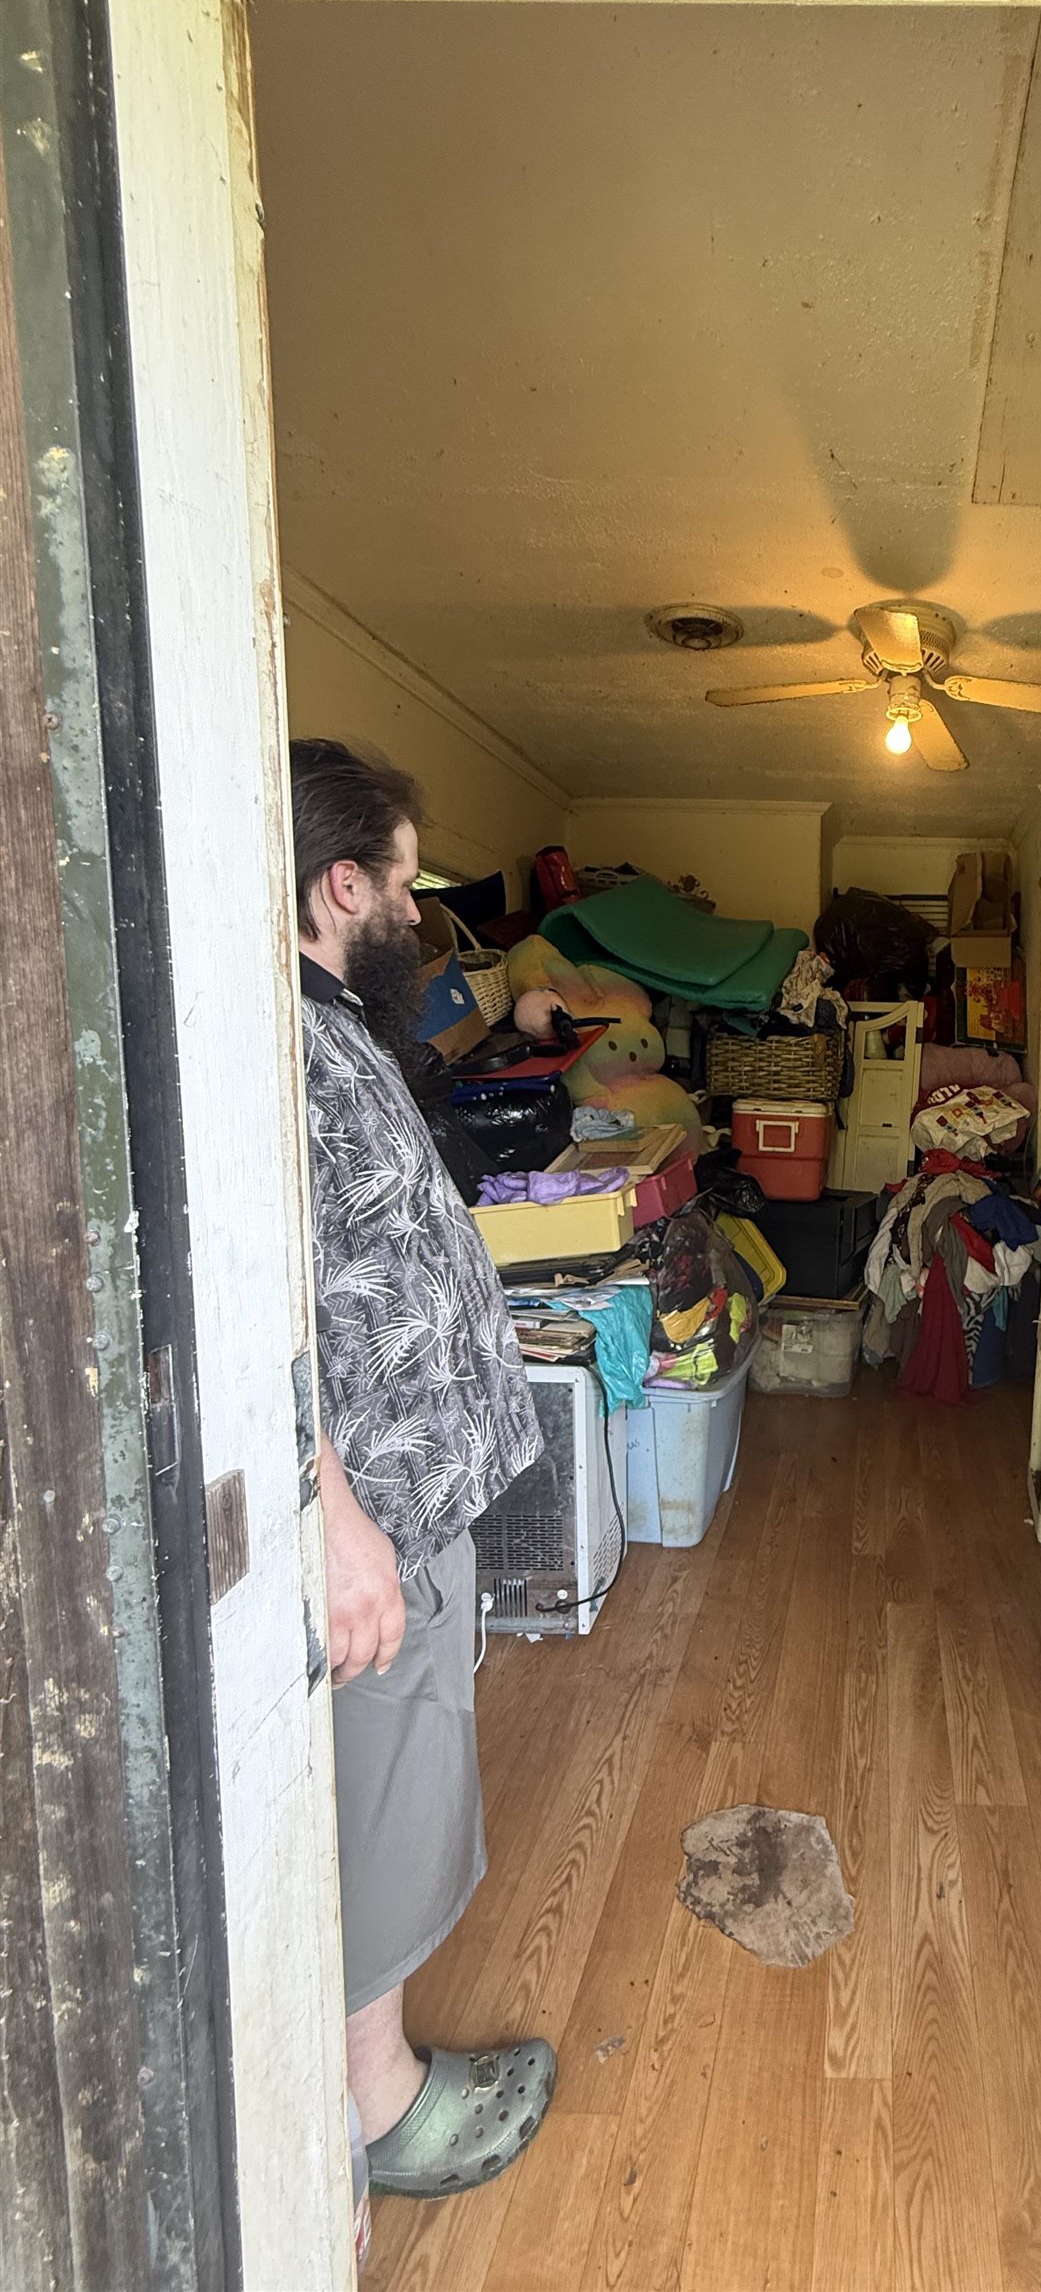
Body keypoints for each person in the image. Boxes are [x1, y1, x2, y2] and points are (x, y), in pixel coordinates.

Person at [291, 737, 555, 2199]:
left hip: (415, 1491)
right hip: (372, 1517)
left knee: (404, 1770)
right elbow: (249, 1302)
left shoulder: (334, 1022)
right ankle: (374, 2107)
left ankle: (360, 2075)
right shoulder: (273, 1038)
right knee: (387, 1789)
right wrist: (337, 1520)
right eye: (402, 883)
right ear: (343, 884)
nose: (417, 915)